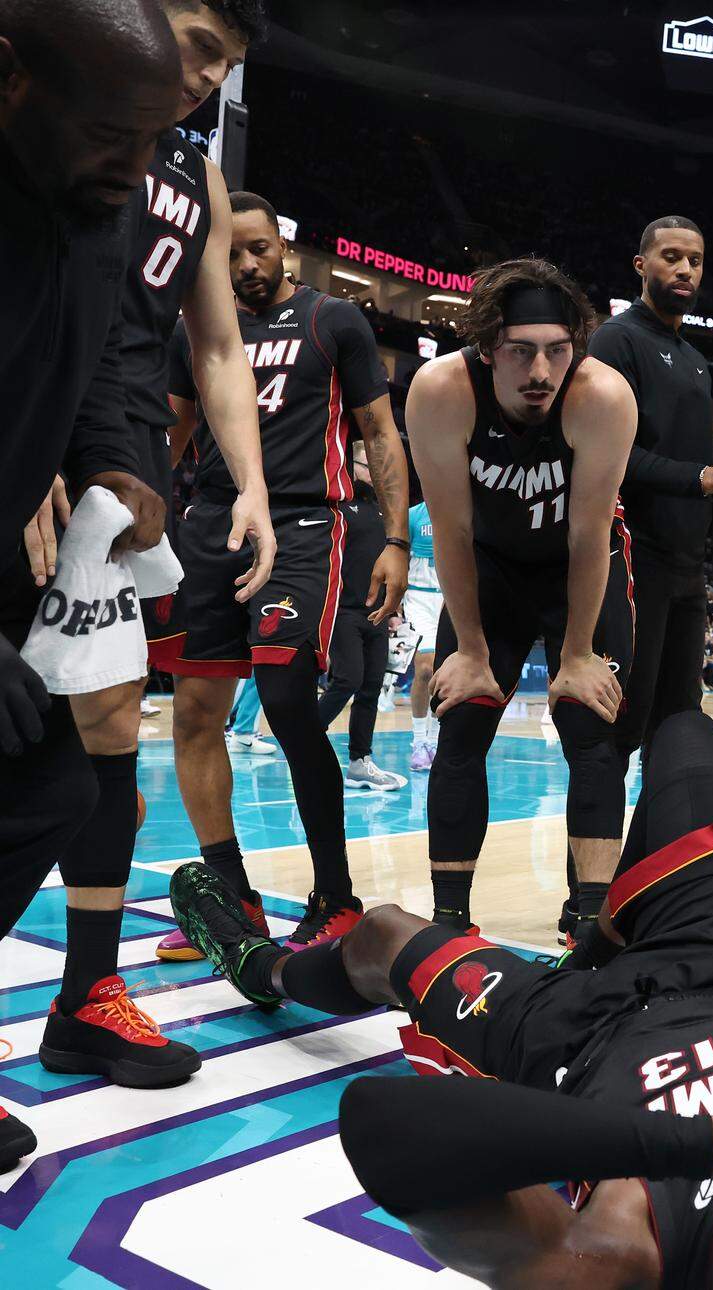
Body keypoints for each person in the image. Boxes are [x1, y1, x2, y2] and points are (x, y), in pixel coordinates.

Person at [168, 711, 713, 1287]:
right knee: (687, 735)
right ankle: (601, 939)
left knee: (381, 934)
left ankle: (260, 968)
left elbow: (383, 1125)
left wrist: (709, 1148)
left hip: (563, 1037)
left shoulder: (627, 1254)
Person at [17, 0, 275, 1079]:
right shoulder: (52, 114)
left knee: (103, 721)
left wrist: (251, 484)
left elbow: (215, 346)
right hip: (37, 410)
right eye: (197, 46)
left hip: (120, 444)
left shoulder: (192, 174)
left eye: (224, 63)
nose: (204, 76)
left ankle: (89, 994)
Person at [0, 0, 184, 1172]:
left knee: (51, 786)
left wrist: (116, 459)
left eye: (156, 137)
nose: (138, 164)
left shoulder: (98, 199)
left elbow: (107, 351)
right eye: (114, 132)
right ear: (9, 79)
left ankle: (82, 1005)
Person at [154, 190, 408, 961]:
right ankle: (233, 896)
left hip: (303, 524)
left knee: (289, 701)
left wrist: (397, 538)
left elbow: (380, 432)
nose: (245, 264)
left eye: (258, 248)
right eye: (230, 252)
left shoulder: (334, 321)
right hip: (210, 524)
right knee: (195, 713)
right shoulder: (193, 329)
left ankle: (336, 897)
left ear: (283, 249)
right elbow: (172, 432)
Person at [405, 257, 636, 946]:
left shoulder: (603, 395)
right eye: (521, 351)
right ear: (486, 347)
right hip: (491, 568)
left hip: (576, 569)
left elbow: (591, 534)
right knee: (462, 718)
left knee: (592, 726)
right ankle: (449, 921)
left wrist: (578, 654)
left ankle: (592, 922)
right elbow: (451, 529)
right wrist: (471, 651)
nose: (541, 371)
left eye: (558, 351)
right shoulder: (441, 390)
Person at [585, 216, 713, 941]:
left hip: (684, 567)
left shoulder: (697, 359)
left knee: (677, 732)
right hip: (629, 557)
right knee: (618, 731)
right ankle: (589, 897)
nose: (685, 269)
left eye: (695, 260)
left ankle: (650, 885)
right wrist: (711, 478)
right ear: (640, 263)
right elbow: (609, 455)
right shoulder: (616, 342)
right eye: (671, 257)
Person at [316, 441, 408, 792]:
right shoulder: (338, 508)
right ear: (351, 466)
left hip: (378, 615)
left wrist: (395, 608)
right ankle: (305, 738)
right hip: (344, 611)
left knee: (371, 687)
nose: (376, 470)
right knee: (348, 680)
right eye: (368, 464)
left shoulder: (384, 511)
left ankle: (360, 761)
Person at [405, 497, 442, 771]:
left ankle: (437, 741)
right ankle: (419, 741)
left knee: (444, 673)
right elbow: (398, 557)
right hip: (418, 597)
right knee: (425, 669)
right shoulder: (413, 515)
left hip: (450, 598)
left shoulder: (461, 508)